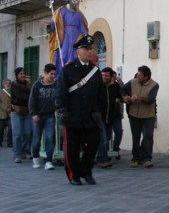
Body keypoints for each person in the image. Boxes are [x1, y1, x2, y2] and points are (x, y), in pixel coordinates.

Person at [55, 34, 106, 185]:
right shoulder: (68, 70)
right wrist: (63, 110)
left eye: (91, 49)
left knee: (93, 144)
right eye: (87, 49)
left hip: (90, 116)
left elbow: (100, 94)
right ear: (78, 51)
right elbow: (61, 92)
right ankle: (74, 175)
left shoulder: (95, 71)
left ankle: (86, 171)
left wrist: (99, 112)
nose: (90, 52)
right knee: (72, 148)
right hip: (73, 115)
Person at [122, 65, 158, 168]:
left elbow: (151, 99)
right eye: (138, 74)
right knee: (135, 137)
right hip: (134, 114)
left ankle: (147, 158)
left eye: (140, 75)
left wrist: (139, 98)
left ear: (146, 77)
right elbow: (122, 89)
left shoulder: (154, 85)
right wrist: (126, 98)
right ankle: (135, 158)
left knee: (148, 135)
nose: (138, 76)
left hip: (148, 116)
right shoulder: (133, 82)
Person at [48, 0, 89, 75]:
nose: (76, 2)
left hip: (76, 35)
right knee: (63, 54)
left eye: (78, 1)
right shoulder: (61, 11)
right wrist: (49, 25)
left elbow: (82, 26)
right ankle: (60, 74)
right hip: (64, 35)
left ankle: (74, 73)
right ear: (69, 1)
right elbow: (55, 24)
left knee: (75, 55)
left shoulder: (78, 14)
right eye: (75, 0)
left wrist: (86, 36)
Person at [29, 63, 57, 170]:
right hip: (38, 115)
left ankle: (48, 161)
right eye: (51, 74)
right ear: (45, 73)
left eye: (54, 74)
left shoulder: (55, 85)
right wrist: (34, 114)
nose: (53, 76)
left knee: (50, 137)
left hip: (50, 115)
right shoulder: (36, 85)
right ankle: (35, 157)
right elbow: (32, 101)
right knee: (36, 138)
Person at [96, 67, 122, 167]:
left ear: (111, 77)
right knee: (102, 138)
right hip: (99, 117)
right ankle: (102, 159)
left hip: (110, 117)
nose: (104, 77)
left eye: (106, 75)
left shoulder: (115, 86)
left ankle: (102, 157)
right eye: (102, 75)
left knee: (106, 138)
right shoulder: (97, 85)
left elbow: (121, 96)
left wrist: (126, 98)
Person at [10, 67, 33, 163]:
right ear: (17, 75)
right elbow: (20, 96)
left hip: (27, 112)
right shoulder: (14, 85)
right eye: (20, 74)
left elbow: (33, 93)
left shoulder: (28, 85)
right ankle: (17, 154)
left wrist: (29, 85)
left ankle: (26, 151)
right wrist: (30, 96)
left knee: (28, 133)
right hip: (16, 112)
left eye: (23, 73)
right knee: (17, 134)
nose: (23, 75)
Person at [0, 79, 13, 148]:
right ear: (3, 84)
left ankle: (10, 142)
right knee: (1, 129)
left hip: (11, 114)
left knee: (11, 128)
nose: (8, 84)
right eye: (6, 83)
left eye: (9, 83)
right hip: (2, 114)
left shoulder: (12, 92)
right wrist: (5, 108)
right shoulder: (1, 92)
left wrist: (11, 109)